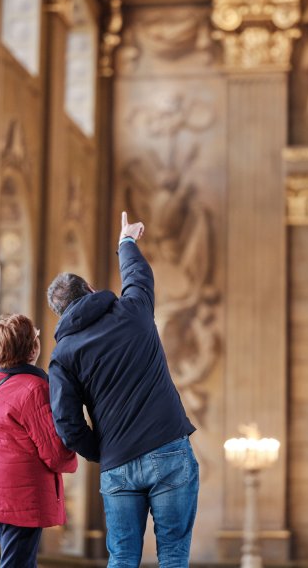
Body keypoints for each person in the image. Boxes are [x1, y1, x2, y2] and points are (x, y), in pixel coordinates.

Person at [47, 211, 198, 568]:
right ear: (92, 290)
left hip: (118, 464)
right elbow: (138, 276)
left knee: (122, 558)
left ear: (60, 315)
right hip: (169, 452)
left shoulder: (62, 357)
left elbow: (67, 425)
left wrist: (103, 450)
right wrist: (126, 242)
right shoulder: (134, 311)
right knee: (174, 556)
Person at [0, 314, 78, 568]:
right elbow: (56, 454)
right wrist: (76, 455)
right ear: (33, 347)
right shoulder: (35, 388)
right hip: (20, 496)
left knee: (21, 561)